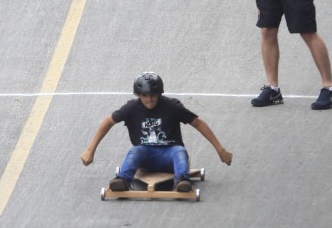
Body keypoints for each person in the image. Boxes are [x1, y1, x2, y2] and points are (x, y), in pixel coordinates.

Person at [82, 71, 233, 193]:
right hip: (145, 157)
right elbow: (108, 121)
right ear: (138, 95)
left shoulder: (172, 106)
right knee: (135, 151)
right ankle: (122, 180)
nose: (149, 99)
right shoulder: (131, 108)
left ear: (160, 93)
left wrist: (220, 150)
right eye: (144, 96)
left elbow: (199, 123)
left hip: (170, 155)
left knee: (180, 151)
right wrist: (90, 150)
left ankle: (181, 180)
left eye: (153, 95)